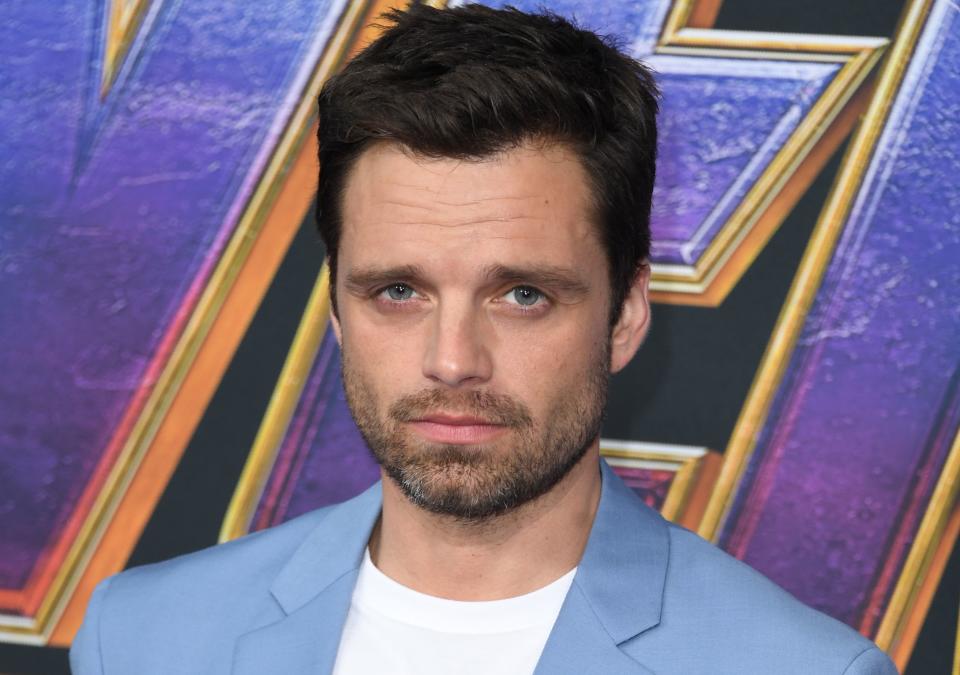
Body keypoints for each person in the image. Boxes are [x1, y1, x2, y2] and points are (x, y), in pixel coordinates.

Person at [70, 4, 897, 674]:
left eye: (523, 294)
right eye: (398, 290)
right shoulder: (140, 638)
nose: (452, 359)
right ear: (334, 309)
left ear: (627, 312)